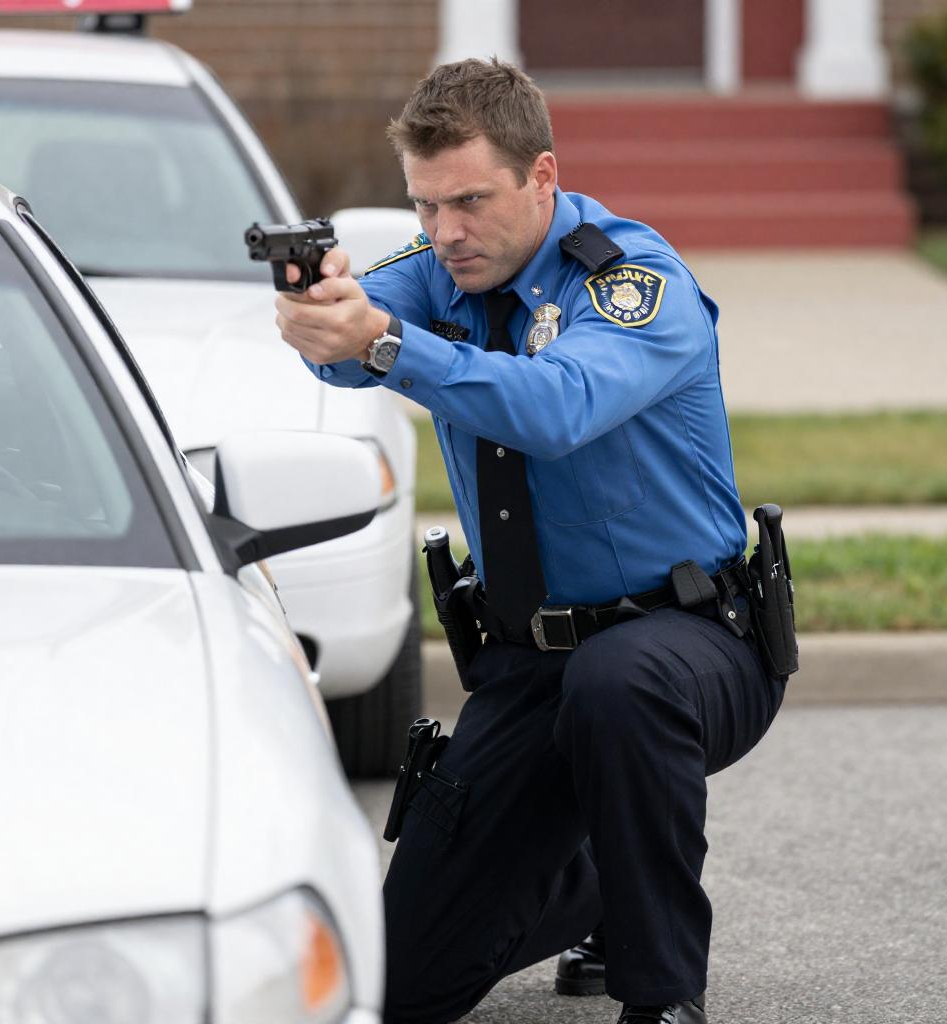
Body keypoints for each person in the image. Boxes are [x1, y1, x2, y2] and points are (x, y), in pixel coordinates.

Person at [274, 57, 786, 1024]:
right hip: (529, 664)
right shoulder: (436, 266)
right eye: (425, 205)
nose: (445, 232)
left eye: (469, 201)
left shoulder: (633, 281)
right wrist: (324, 317)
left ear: (541, 176)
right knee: (396, 985)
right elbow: (348, 355)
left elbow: (556, 408)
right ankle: (601, 880)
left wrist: (383, 341)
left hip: (689, 638)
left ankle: (662, 993)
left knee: (619, 685)